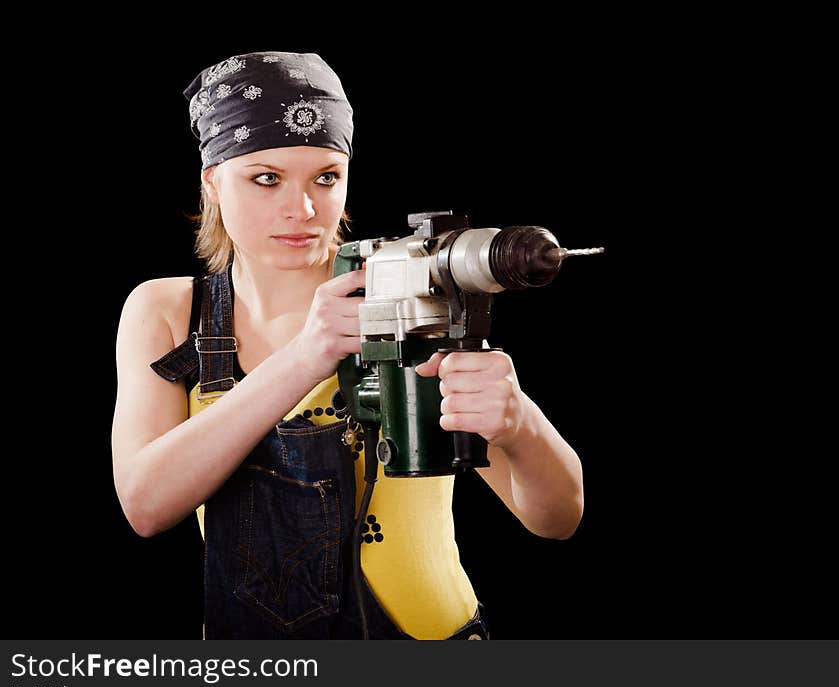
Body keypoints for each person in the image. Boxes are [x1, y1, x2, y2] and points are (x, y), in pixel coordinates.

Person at [111, 50, 584, 640]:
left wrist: (519, 424)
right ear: (212, 181)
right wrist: (308, 355)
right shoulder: (170, 312)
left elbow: (557, 519)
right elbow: (146, 506)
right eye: (266, 178)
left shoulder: (409, 301)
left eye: (326, 178)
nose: (302, 209)